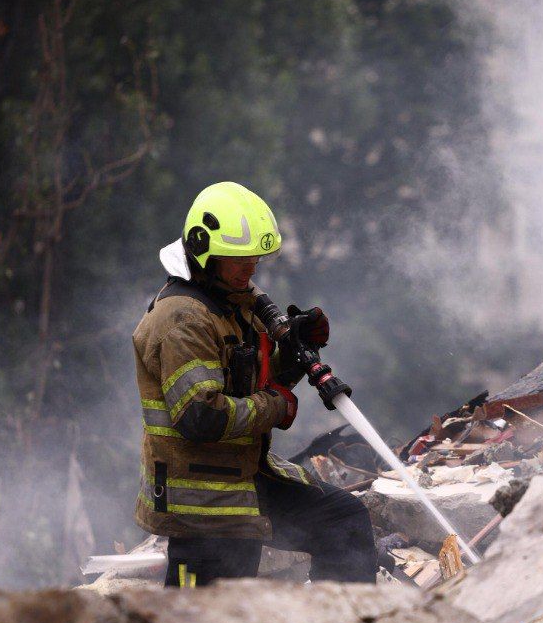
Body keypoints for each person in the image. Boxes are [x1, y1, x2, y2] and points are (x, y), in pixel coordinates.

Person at [132, 180, 377, 587]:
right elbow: (202, 416)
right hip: (201, 502)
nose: (250, 269)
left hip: (240, 478)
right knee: (208, 617)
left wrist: (296, 353)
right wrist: (276, 406)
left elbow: (250, 385)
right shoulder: (182, 319)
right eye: (239, 260)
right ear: (204, 253)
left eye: (255, 260)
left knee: (341, 521)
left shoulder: (228, 305)